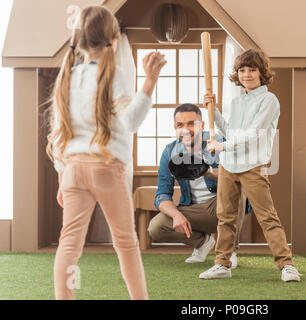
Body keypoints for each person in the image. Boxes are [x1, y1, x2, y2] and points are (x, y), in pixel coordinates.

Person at [46, 6, 166, 299]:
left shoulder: (67, 77)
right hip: (107, 169)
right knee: (126, 243)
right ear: (113, 37)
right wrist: (149, 82)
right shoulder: (115, 74)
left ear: (81, 39)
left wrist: (63, 175)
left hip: (73, 169)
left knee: (69, 245)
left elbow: (60, 132)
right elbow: (130, 122)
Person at [200, 49, 302, 282]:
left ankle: (287, 266)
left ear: (261, 73)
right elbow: (230, 130)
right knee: (225, 217)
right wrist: (213, 111)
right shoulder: (237, 102)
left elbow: (253, 134)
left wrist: (222, 147)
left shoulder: (269, 100)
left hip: (252, 165)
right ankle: (222, 264)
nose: (246, 74)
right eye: (242, 70)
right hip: (229, 166)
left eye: (252, 70)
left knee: (267, 217)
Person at [149, 103, 248, 267]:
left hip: (221, 204)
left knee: (237, 191)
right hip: (193, 208)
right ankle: (203, 243)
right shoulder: (169, 151)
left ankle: (229, 251)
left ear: (201, 125)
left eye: (191, 123)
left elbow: (239, 176)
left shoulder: (219, 141)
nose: (186, 129)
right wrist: (176, 215)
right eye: (180, 125)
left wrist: (207, 172)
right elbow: (162, 195)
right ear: (175, 127)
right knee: (157, 227)